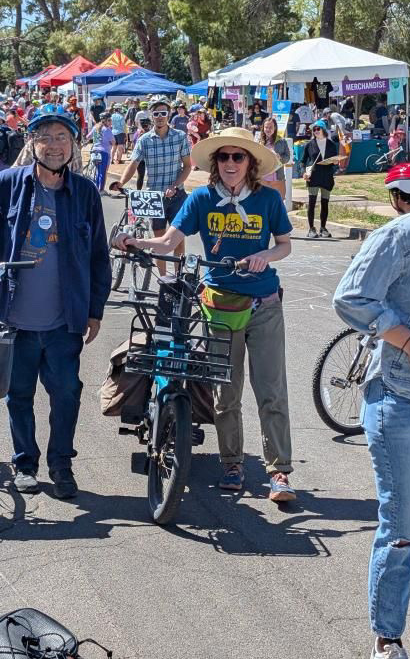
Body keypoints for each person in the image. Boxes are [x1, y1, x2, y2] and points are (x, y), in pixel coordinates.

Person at [114, 127, 296, 501]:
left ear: (250, 163)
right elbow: (169, 241)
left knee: (271, 391)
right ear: (215, 163)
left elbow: (284, 245)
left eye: (238, 156)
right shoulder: (202, 198)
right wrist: (135, 242)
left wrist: (265, 256)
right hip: (220, 306)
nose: (230, 163)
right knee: (225, 392)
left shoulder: (268, 200)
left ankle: (279, 472)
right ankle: (232, 464)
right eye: (223, 157)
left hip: (264, 305)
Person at [0, 111, 112, 498]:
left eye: (62, 137)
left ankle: (61, 464)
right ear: (32, 143)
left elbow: (98, 257)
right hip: (14, 318)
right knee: (19, 394)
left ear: (73, 145)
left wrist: (95, 309)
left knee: (66, 394)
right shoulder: (6, 184)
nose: (54, 145)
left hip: (64, 321)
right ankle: (25, 463)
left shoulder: (85, 192)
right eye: (46, 137)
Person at [333, 177, 410, 659]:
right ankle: (387, 644)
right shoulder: (404, 235)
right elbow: (351, 297)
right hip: (402, 398)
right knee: (405, 527)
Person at [111, 98, 192, 275]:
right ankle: (163, 280)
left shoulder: (180, 136)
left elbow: (187, 166)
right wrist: (121, 183)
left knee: (178, 239)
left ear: (168, 114)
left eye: (163, 113)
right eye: (156, 113)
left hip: (177, 195)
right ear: (151, 116)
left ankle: (178, 279)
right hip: (154, 197)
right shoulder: (144, 140)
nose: (160, 117)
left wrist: (175, 185)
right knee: (158, 239)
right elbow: (133, 164)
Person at [301, 119, 339, 239]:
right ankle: (311, 228)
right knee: (312, 203)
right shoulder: (309, 144)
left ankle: (323, 228)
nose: (316, 131)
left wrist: (335, 163)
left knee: (325, 203)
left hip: (327, 177)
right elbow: (302, 161)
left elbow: (335, 162)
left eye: (318, 129)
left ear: (323, 130)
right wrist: (304, 173)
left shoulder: (331, 144)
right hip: (313, 177)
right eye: (314, 129)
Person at [260, 117, 290, 198]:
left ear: (275, 128)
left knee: (279, 201)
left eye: (270, 127)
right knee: (263, 202)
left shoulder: (282, 141)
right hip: (262, 179)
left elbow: (287, 158)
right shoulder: (258, 141)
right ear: (263, 128)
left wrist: (280, 158)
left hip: (277, 178)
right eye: (266, 127)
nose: (268, 129)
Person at [90, 111, 115, 192]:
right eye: (109, 120)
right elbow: (113, 142)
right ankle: (101, 190)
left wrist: (96, 140)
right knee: (103, 172)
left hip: (94, 152)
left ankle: (96, 188)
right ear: (105, 121)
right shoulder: (107, 130)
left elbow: (88, 136)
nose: (111, 122)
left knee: (97, 171)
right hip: (104, 152)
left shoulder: (95, 128)